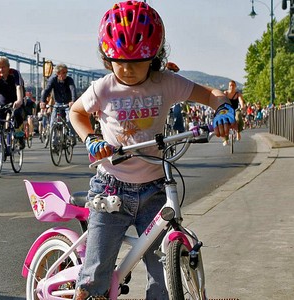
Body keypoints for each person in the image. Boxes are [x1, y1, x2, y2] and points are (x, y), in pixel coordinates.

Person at [69, 2, 235, 299]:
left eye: (137, 60)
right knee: (95, 274)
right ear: (107, 57)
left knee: (162, 274)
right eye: (119, 60)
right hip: (111, 189)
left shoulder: (166, 83)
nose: (127, 69)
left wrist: (223, 107)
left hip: (155, 188)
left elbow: (210, 94)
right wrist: (91, 139)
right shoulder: (103, 88)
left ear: (154, 56)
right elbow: (76, 113)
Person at [40, 63, 77, 139]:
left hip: (68, 104)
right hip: (57, 104)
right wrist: (42, 101)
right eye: (63, 73)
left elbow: (73, 90)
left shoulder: (69, 80)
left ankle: (72, 136)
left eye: (66, 72)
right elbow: (46, 90)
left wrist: (73, 101)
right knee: (52, 122)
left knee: (69, 120)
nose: (65, 74)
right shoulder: (53, 79)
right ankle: (53, 142)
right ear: (57, 73)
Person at [223, 80, 245, 144]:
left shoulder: (238, 94)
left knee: (238, 117)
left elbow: (240, 100)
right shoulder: (225, 93)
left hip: (235, 109)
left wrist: (242, 106)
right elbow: (222, 100)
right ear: (228, 86)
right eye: (230, 85)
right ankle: (225, 139)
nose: (231, 86)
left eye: (233, 85)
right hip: (227, 110)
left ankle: (238, 132)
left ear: (235, 86)